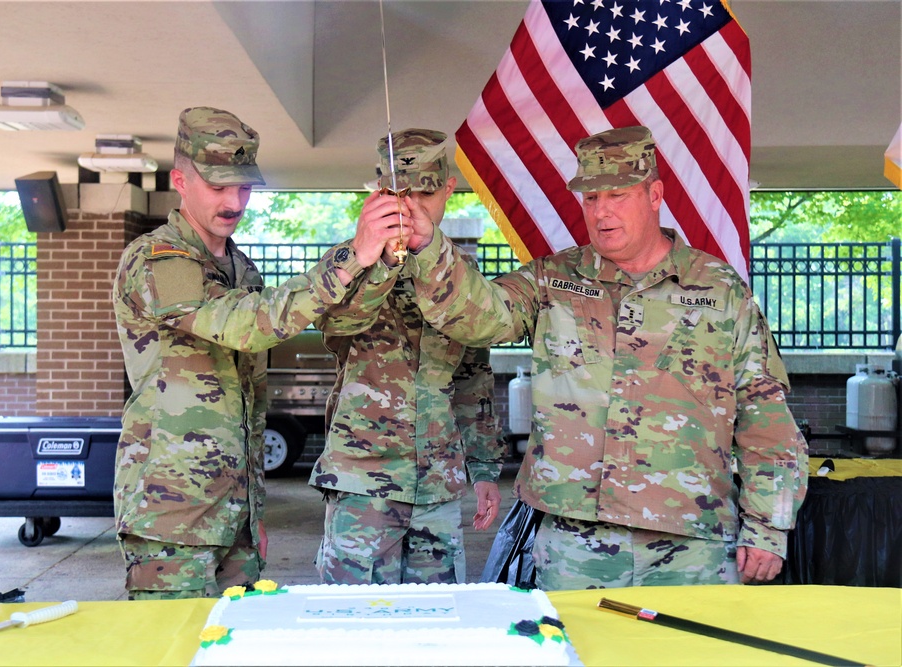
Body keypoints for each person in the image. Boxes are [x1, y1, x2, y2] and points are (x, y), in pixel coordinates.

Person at [398, 126, 808, 590]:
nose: (602, 210)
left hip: (693, 542)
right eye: (590, 198)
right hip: (575, 543)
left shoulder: (718, 288)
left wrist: (768, 525)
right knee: (579, 658)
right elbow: (477, 316)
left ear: (655, 194)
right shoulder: (553, 279)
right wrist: (428, 247)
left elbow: (764, 412)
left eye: (617, 194)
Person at [111, 106, 404, 600]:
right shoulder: (155, 259)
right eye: (219, 185)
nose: (234, 200)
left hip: (234, 514)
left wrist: (251, 512)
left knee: (231, 647)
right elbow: (245, 326)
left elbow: (251, 399)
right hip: (171, 511)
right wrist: (352, 255)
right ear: (180, 181)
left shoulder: (240, 268)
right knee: (171, 649)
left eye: (243, 186)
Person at [309, 128, 506, 585]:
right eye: (400, 193)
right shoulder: (348, 262)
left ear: (449, 190)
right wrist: (377, 261)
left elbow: (473, 375)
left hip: (436, 483)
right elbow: (337, 324)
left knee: (435, 622)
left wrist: (484, 468)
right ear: (380, 193)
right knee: (354, 629)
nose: (412, 207)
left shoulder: (461, 274)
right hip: (363, 482)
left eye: (426, 192)